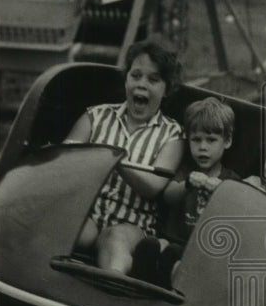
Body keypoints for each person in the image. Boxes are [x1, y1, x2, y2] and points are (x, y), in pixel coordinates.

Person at [66, 39, 184, 274]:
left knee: (115, 238)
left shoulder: (172, 134)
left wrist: (115, 159)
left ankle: (112, 285)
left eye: (153, 79)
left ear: (167, 88)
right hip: (88, 211)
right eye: (136, 75)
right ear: (126, 78)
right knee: (70, 229)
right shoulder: (96, 116)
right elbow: (65, 162)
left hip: (133, 223)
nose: (142, 84)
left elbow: (154, 186)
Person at [131, 98, 240, 286]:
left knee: (178, 258)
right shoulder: (185, 170)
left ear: (227, 141)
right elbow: (168, 195)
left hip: (200, 250)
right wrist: (188, 183)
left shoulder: (231, 181)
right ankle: (140, 282)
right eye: (196, 140)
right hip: (172, 238)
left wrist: (222, 194)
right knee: (157, 246)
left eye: (211, 140)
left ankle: (162, 284)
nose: (202, 147)